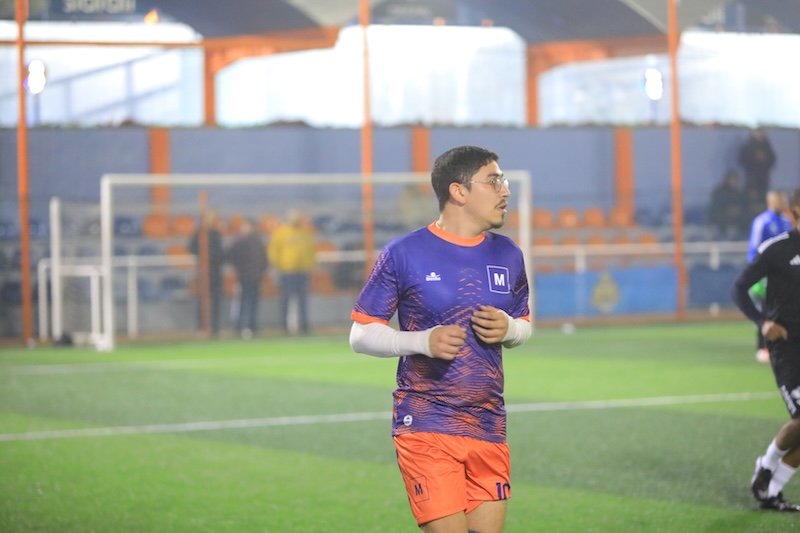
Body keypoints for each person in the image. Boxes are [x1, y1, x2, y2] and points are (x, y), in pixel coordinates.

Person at [349, 145, 532, 531]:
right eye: (494, 181)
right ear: (458, 191)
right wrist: (420, 342)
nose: (505, 190)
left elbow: (524, 324)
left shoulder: (509, 254)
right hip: (426, 421)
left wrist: (510, 329)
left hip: (489, 423)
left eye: (503, 181)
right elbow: (361, 334)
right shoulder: (404, 253)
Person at [732, 187, 800, 512]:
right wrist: (762, 322)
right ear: (795, 210)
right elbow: (739, 288)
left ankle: (771, 490)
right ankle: (768, 464)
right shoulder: (777, 248)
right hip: (787, 347)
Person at [747, 190, 793, 363]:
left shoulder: (786, 221)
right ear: (771, 201)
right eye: (780, 200)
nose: (783, 203)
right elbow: (755, 249)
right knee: (764, 309)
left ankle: (785, 344)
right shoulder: (762, 222)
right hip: (765, 273)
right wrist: (757, 272)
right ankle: (762, 347)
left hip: (784, 273)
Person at [268, 209, 316, 334]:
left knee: (303, 300)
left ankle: (304, 326)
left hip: (302, 271)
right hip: (287, 272)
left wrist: (310, 266)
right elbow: (274, 251)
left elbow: (311, 251)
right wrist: (279, 266)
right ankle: (284, 326)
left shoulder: (305, 233)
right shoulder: (281, 233)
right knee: (286, 300)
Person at [226, 218, 268, 338]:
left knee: (253, 302)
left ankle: (251, 325)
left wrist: (261, 271)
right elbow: (231, 256)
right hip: (244, 277)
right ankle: (241, 326)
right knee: (243, 302)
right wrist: (240, 270)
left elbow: (263, 259)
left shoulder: (257, 241)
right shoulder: (240, 241)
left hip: (255, 277)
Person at [188, 208, 225, 336]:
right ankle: (201, 327)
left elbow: (220, 252)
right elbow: (192, 249)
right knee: (202, 299)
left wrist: (213, 258)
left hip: (215, 271)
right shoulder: (199, 234)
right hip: (203, 271)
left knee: (216, 300)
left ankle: (215, 327)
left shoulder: (216, 233)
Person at [738, 128, 776, 217]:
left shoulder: (767, 146)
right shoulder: (748, 146)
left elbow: (772, 160)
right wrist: (754, 157)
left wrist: (764, 158)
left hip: (764, 179)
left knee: (763, 200)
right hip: (751, 179)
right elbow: (742, 160)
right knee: (752, 200)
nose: (759, 135)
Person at [707, 169, 748, 239]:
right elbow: (715, 209)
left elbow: (742, 208)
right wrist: (727, 211)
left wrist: (738, 211)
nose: (733, 182)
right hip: (719, 223)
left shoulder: (738, 193)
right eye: (731, 179)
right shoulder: (719, 193)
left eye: (735, 180)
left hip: (734, 223)